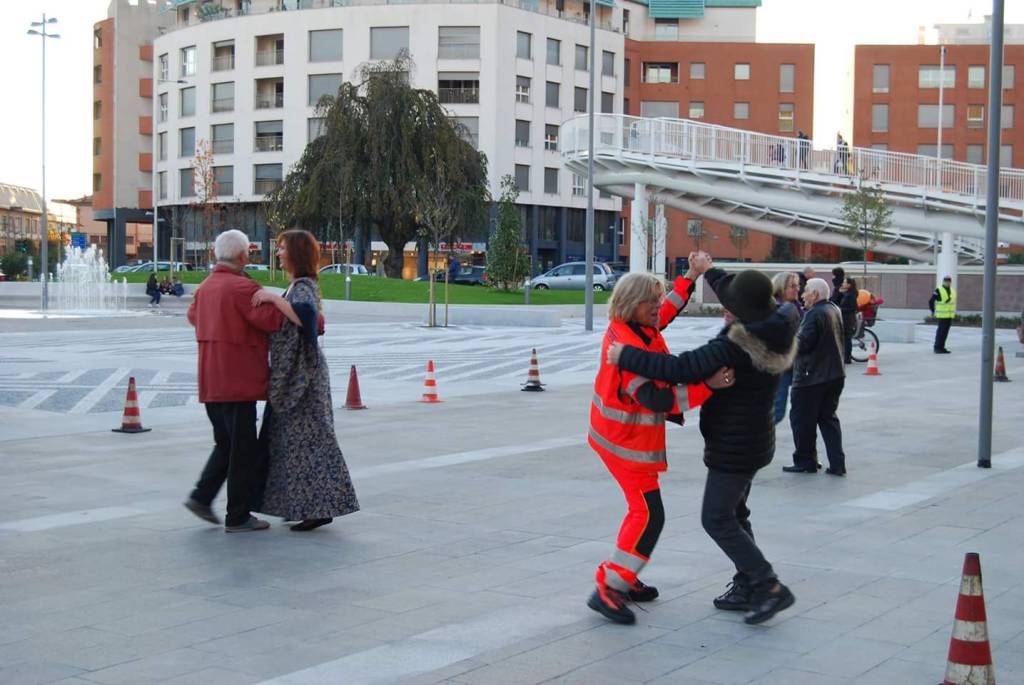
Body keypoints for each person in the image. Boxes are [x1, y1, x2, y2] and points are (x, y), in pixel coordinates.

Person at [607, 267, 800, 625]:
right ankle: (746, 583)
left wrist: (625, 356)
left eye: (729, 306)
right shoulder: (779, 321)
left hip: (735, 446)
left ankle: (767, 585)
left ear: (743, 313)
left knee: (716, 517)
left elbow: (679, 368)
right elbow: (733, 289)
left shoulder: (734, 347)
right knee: (737, 514)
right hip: (757, 442)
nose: (723, 309)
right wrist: (703, 270)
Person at [587, 255, 730, 625]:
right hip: (624, 442)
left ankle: (625, 576)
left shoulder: (638, 327)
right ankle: (610, 586)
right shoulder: (625, 349)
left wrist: (691, 277)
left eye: (657, 299)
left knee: (645, 513)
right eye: (651, 301)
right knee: (648, 514)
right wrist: (706, 388)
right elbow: (657, 399)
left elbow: (666, 311)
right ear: (632, 304)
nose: (657, 308)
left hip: (622, 437)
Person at [253, 229, 360, 532]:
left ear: (295, 253)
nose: (278, 253)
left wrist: (273, 299)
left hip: (302, 379)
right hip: (301, 376)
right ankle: (313, 507)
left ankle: (320, 507)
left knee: (311, 443)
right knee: (306, 443)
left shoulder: (300, 288)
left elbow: (306, 319)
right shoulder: (301, 286)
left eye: (282, 248)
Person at [183, 229, 284, 532]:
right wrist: (279, 300)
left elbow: (192, 317)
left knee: (225, 444)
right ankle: (237, 515)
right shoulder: (243, 288)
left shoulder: (204, 288)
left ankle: (201, 497)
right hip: (238, 383)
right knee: (242, 451)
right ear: (243, 256)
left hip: (211, 382)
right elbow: (273, 321)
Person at [785, 278, 847, 475]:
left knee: (801, 419)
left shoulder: (814, 314)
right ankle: (837, 464)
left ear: (816, 295)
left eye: (807, 291)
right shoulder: (833, 309)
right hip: (835, 374)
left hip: (811, 377)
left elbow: (802, 344)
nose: (803, 295)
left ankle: (805, 461)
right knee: (828, 418)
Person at [771, 272, 802, 424]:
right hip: (780, 366)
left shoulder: (795, 307)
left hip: (792, 364)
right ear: (781, 288)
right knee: (777, 411)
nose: (797, 289)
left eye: (798, 285)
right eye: (792, 286)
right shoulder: (776, 309)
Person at [929, 275, 956, 354]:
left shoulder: (952, 290)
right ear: (943, 281)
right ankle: (937, 348)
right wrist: (933, 311)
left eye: (949, 281)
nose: (947, 282)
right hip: (942, 316)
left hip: (949, 315)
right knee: (941, 332)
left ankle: (942, 347)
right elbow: (931, 301)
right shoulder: (938, 290)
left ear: (950, 282)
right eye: (946, 281)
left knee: (945, 332)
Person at [838, 277, 859, 364]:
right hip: (847, 319)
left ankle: (847, 358)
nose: (843, 283)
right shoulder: (848, 294)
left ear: (849, 285)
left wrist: (840, 309)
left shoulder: (851, 295)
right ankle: (846, 357)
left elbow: (853, 308)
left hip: (847, 320)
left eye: (845, 282)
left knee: (847, 339)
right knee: (846, 339)